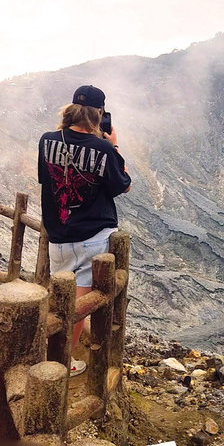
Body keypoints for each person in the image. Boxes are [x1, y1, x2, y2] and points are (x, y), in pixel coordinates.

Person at [38, 85, 131, 376]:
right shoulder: (102, 147)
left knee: (59, 295)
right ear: (98, 114)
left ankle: (46, 350)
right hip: (91, 236)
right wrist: (113, 145)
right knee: (78, 304)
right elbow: (123, 184)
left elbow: (46, 179)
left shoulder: (47, 140)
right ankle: (60, 362)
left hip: (58, 233)